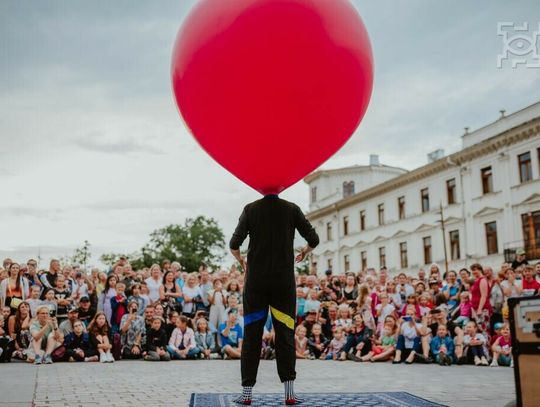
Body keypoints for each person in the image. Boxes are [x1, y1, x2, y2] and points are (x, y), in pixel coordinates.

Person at [229, 194, 319, 405]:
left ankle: (247, 393)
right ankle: (289, 393)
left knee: (252, 335)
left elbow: (234, 243)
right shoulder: (292, 208)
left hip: (256, 283)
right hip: (283, 283)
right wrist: (304, 252)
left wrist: (241, 259)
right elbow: (314, 240)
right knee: (285, 335)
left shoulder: (250, 208)